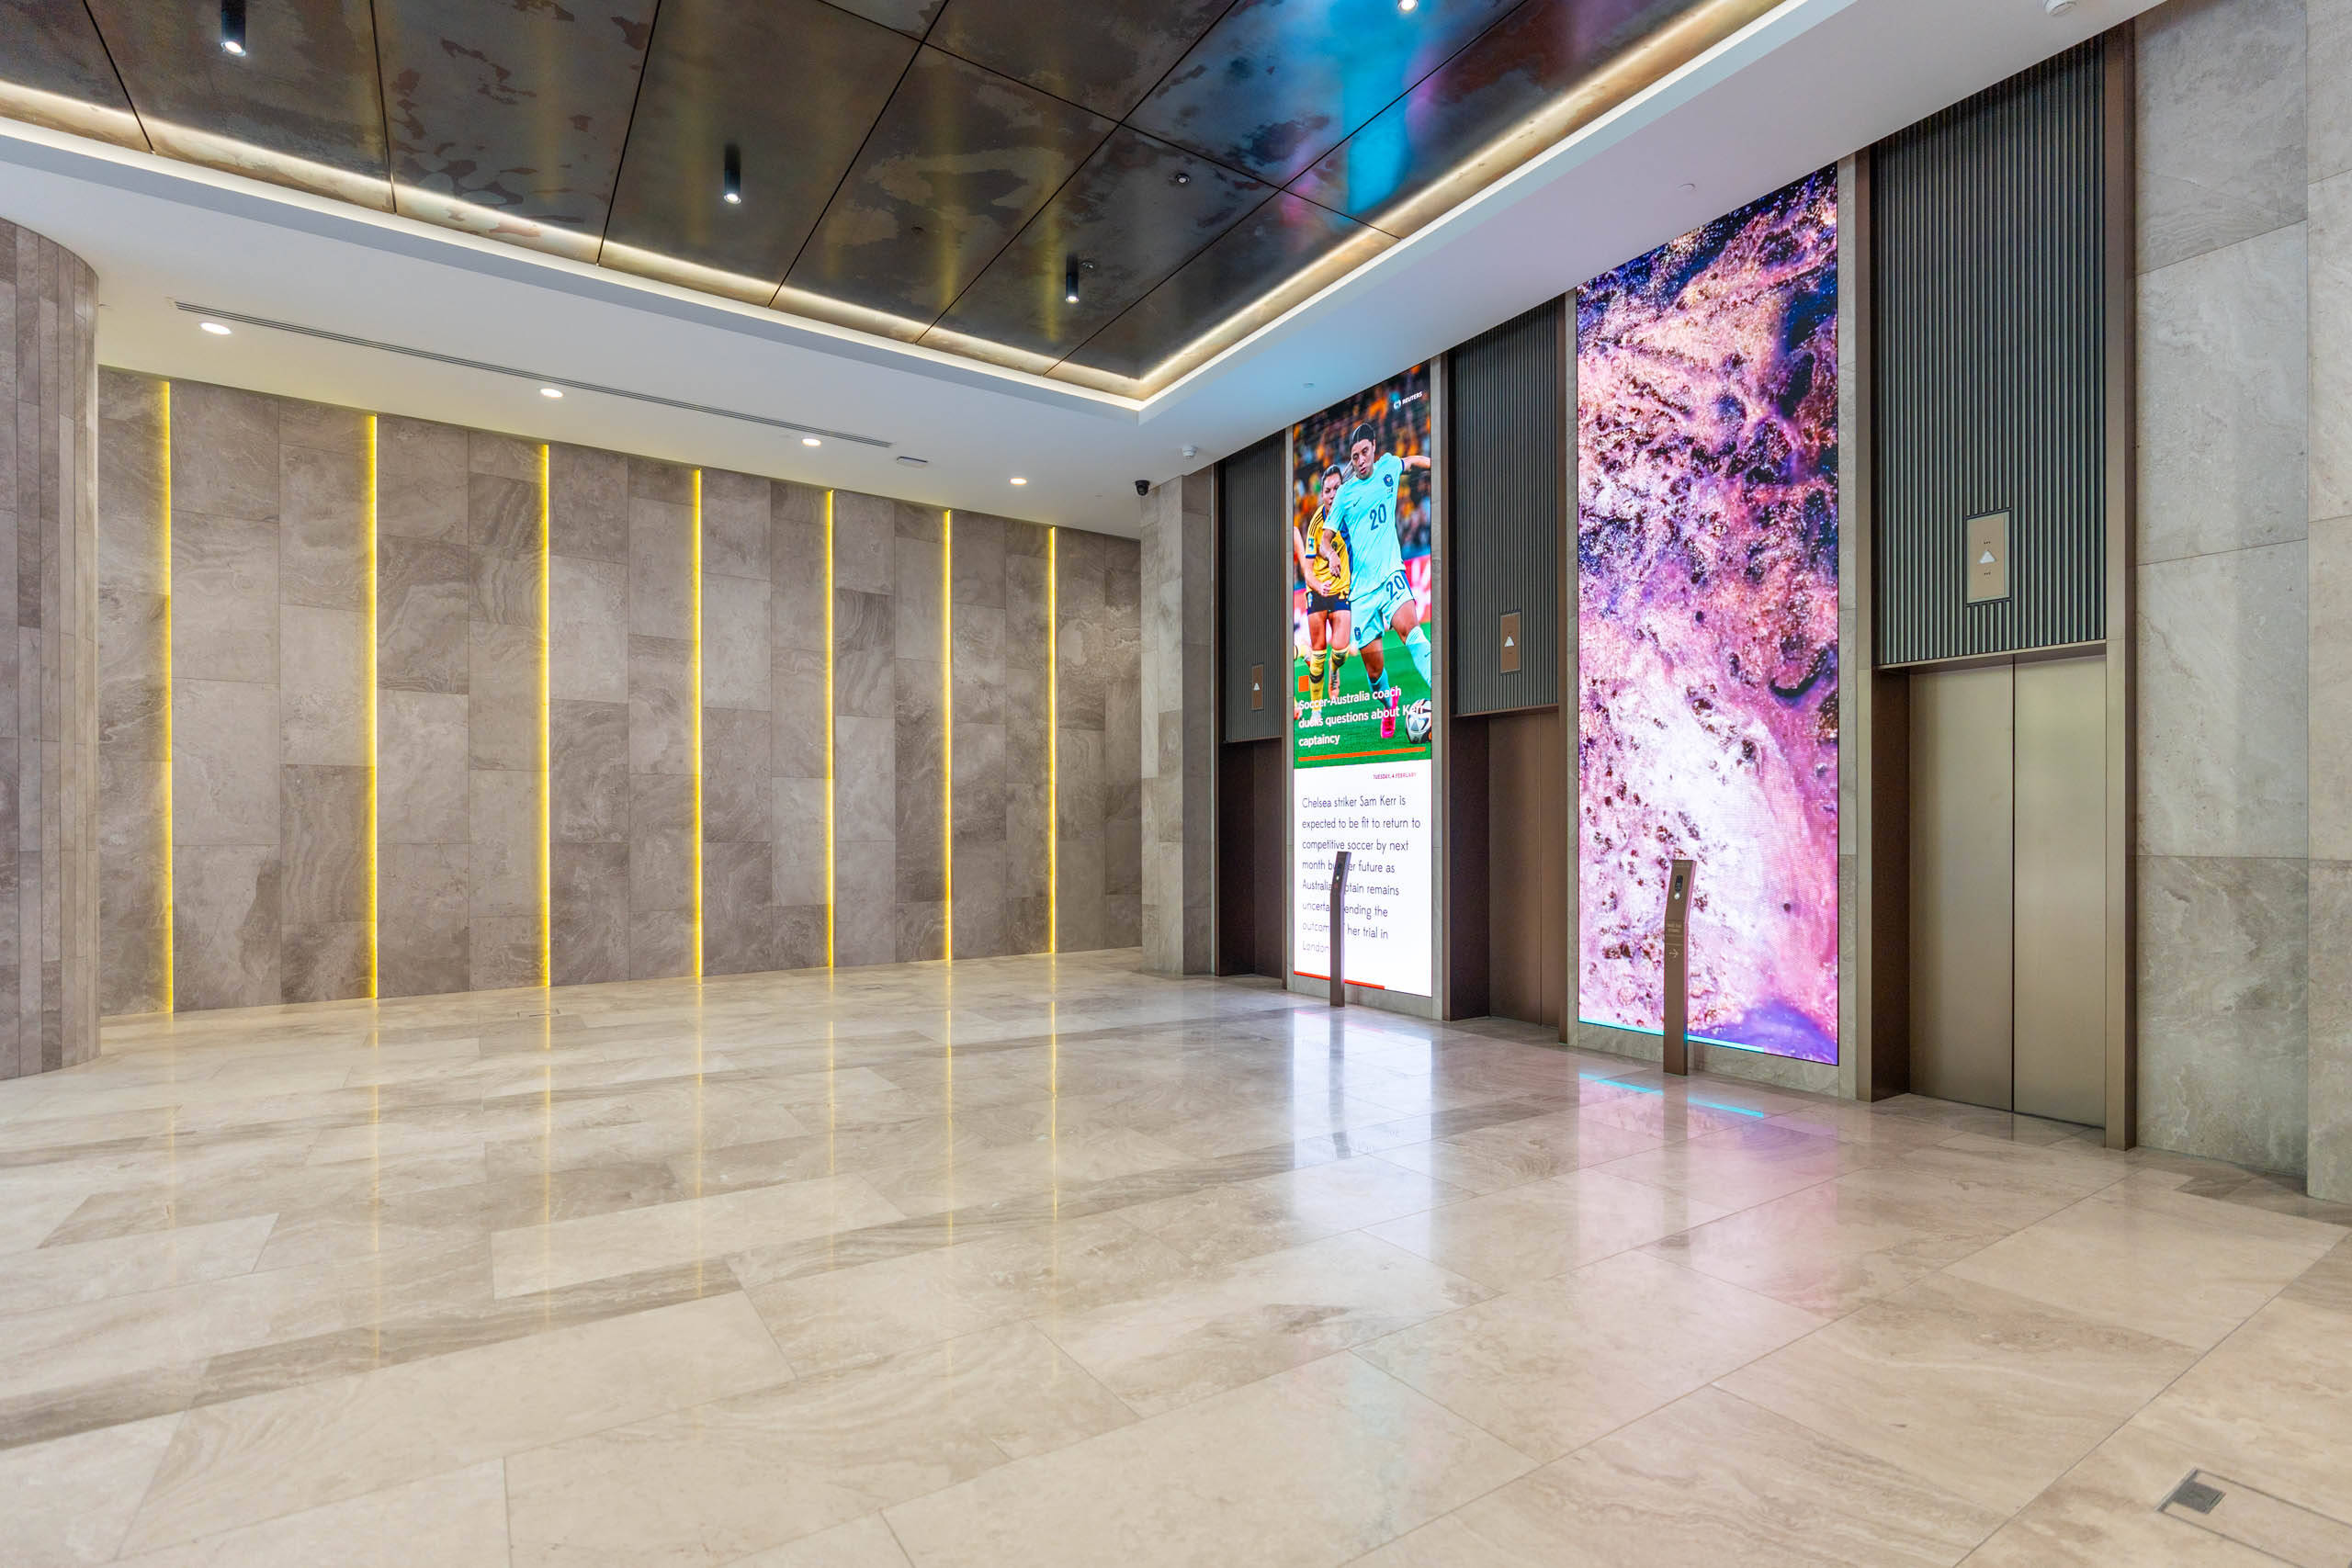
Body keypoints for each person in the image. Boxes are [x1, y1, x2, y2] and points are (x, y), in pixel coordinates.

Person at [1329, 420, 1433, 734]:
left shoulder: (1388, 466)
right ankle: (1389, 707)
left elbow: (1411, 462)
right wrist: (1331, 554)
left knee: (1412, 632)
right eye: (1355, 456)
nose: (1361, 460)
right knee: (1374, 672)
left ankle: (1440, 696)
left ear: (1374, 448)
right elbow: (1325, 537)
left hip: (1391, 574)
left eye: (1364, 452)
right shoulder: (1345, 494)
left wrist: (1436, 464)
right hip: (1362, 593)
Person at [1291, 465, 1351, 708]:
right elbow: (1307, 570)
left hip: (1341, 586)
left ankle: (1334, 669)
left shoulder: (1351, 512)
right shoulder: (1316, 524)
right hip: (1317, 587)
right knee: (1318, 655)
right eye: (1327, 491)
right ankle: (1316, 712)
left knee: (1341, 652)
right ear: (1322, 494)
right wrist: (1317, 586)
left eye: (1337, 489)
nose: (1332, 495)